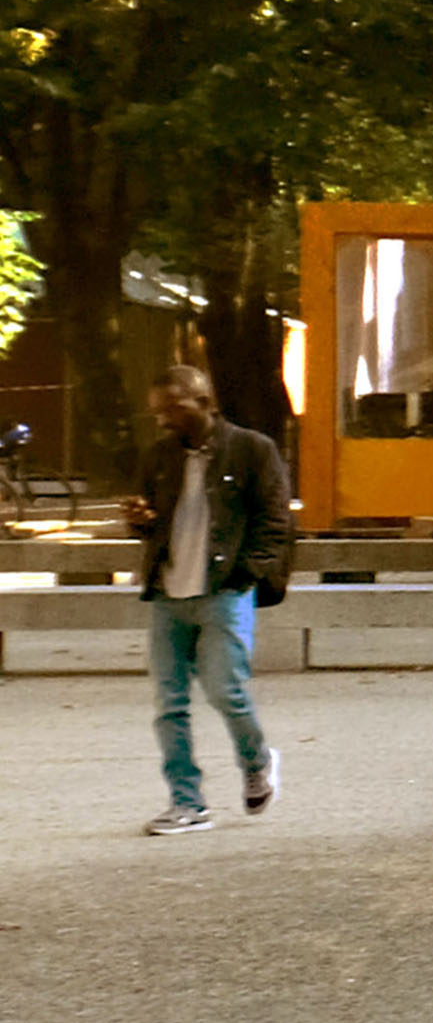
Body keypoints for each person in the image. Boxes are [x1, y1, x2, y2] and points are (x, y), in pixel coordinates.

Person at [129, 358, 293, 838]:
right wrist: (139, 520)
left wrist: (246, 574)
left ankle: (257, 760)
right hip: (168, 593)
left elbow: (275, 520)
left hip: (224, 591)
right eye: (158, 412)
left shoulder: (251, 450)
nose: (164, 419)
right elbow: (150, 520)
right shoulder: (159, 456)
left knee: (227, 692)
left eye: (173, 408)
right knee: (169, 704)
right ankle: (187, 803)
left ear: (204, 402)